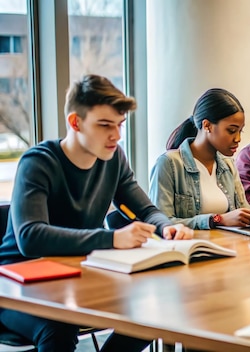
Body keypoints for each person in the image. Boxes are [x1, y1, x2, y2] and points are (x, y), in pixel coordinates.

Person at [0, 75, 193, 351]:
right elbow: (31, 238)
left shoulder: (113, 158)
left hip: (80, 275)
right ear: (75, 122)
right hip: (18, 286)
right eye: (105, 125)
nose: (116, 135)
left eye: (119, 125)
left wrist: (165, 227)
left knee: (152, 315)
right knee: (59, 328)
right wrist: (112, 239)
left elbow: (146, 209)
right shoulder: (38, 162)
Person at [149, 88, 250, 229]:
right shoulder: (169, 164)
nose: (238, 139)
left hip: (229, 244)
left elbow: (244, 210)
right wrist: (217, 219)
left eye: (240, 131)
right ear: (207, 125)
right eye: (231, 130)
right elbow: (161, 222)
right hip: (190, 247)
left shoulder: (228, 165)